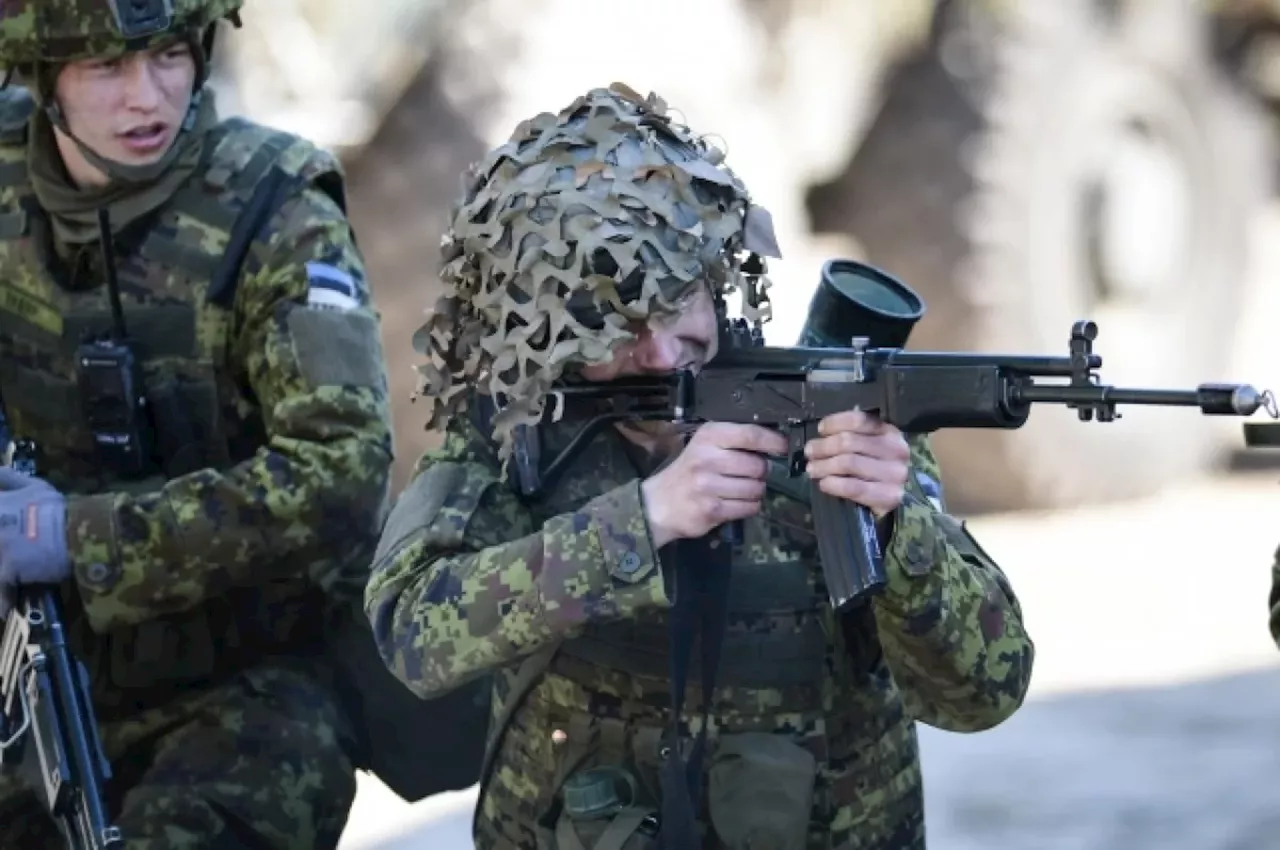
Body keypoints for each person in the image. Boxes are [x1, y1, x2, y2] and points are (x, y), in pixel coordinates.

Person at [366, 83, 1035, 850]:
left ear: (715, 281)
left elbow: (985, 692)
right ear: (550, 327)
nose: (657, 351)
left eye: (675, 302)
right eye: (612, 323)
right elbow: (411, 632)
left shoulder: (832, 420)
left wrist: (896, 523)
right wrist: (642, 522)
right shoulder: (521, 428)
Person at [0, 1, 395, 847]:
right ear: (43, 78)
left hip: (250, 690)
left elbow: (343, 477)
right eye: (107, 67)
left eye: (170, 55)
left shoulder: (275, 209)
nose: (149, 97)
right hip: (30, 680)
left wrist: (77, 536)